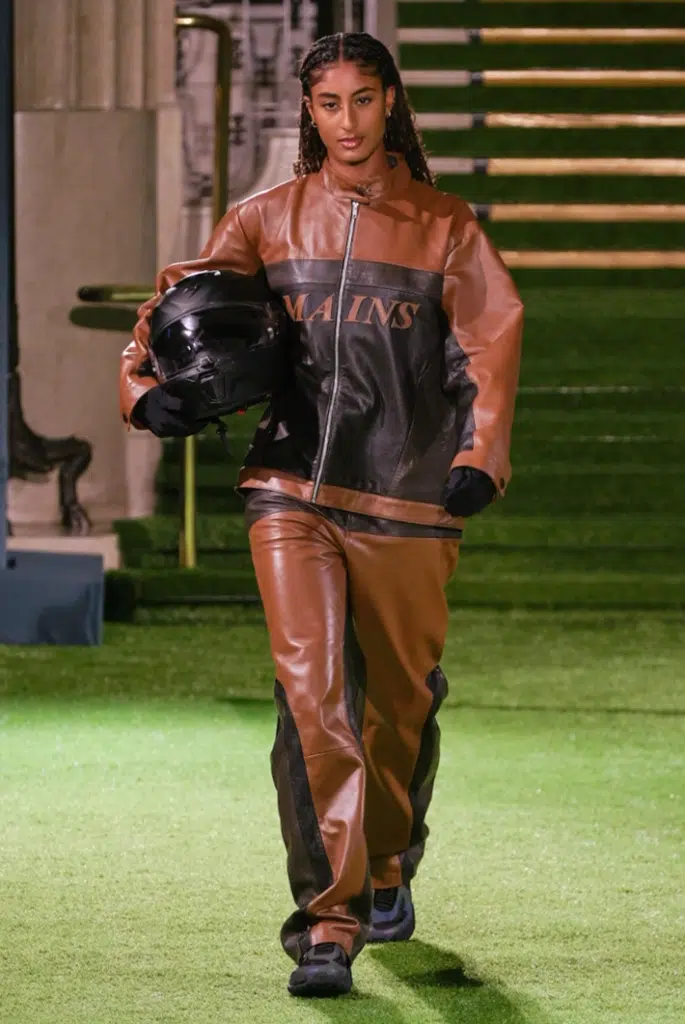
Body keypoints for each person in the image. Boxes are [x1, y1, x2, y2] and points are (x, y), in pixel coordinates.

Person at [120, 32, 523, 999]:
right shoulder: (264, 220)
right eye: (328, 103)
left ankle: (387, 869)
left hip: (407, 498)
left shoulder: (445, 228)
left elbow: (489, 340)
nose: (346, 120)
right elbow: (182, 307)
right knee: (314, 696)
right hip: (289, 489)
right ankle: (328, 922)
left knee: (397, 703)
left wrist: (478, 457)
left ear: (392, 104)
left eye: (362, 100)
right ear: (309, 112)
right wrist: (145, 391)